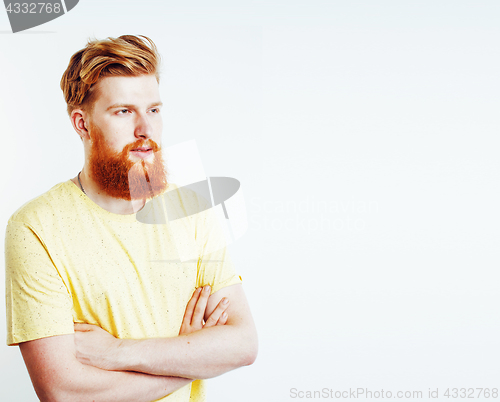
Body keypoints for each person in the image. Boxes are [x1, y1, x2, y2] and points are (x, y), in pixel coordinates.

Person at [5, 35, 257, 402]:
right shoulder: (34, 228)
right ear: (82, 123)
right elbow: (63, 392)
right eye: (124, 111)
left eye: (154, 110)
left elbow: (243, 343)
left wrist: (116, 352)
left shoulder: (190, 208)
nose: (146, 130)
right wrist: (190, 356)